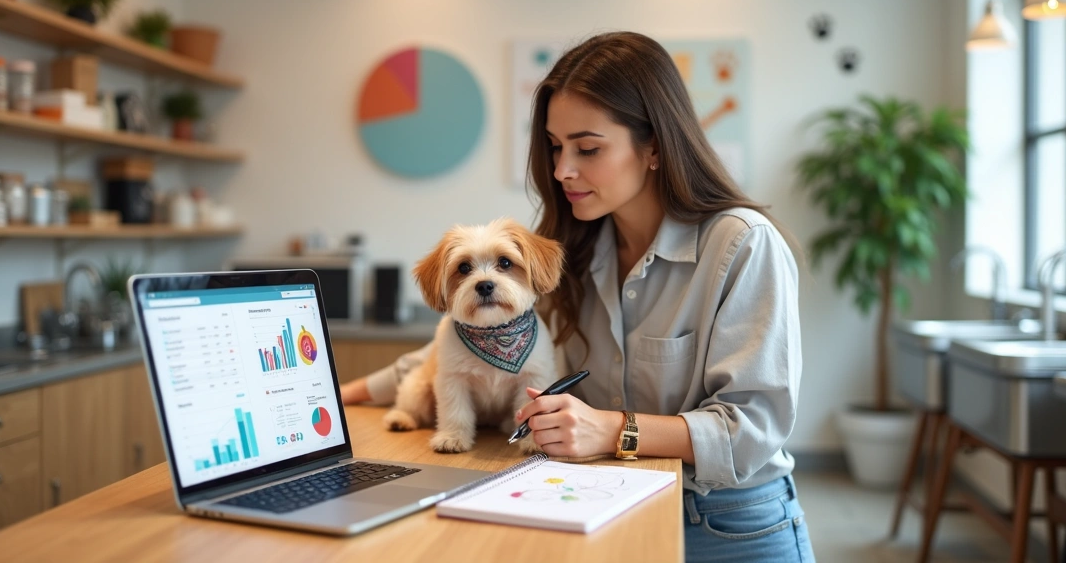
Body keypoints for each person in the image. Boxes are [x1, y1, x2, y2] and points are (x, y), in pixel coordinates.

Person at [340, 31, 814, 562]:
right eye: (554, 146)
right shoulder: (573, 249)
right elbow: (461, 345)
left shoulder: (742, 245)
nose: (563, 169)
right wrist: (342, 396)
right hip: (605, 504)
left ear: (654, 145)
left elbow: (753, 430)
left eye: (587, 148)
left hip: (728, 524)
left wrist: (612, 430)